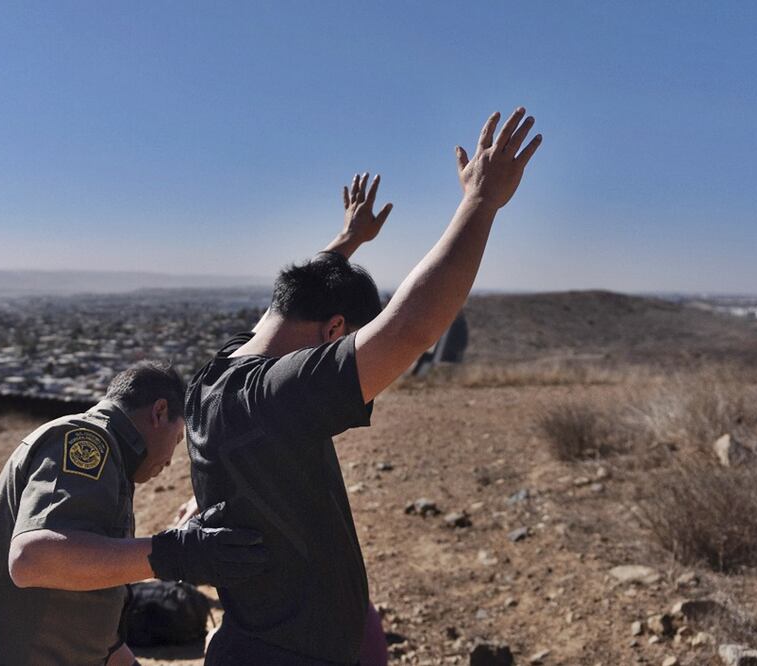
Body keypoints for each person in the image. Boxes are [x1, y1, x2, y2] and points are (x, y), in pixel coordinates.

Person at [185, 108, 542, 664]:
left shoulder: (220, 371)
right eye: (345, 341)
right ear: (333, 332)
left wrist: (345, 242)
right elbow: (411, 327)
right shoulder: (276, 397)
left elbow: (291, 301)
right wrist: (481, 202)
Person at [0, 361, 268, 666]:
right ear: (159, 412)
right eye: (177, 441)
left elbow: (94, 622)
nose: (171, 459)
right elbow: (33, 558)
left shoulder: (113, 469)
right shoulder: (86, 442)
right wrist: (178, 552)